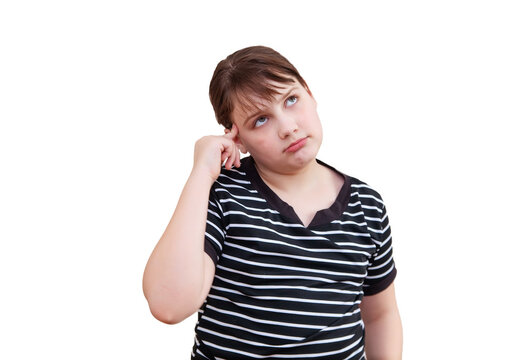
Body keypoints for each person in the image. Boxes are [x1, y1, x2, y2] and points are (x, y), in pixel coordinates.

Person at [143, 45, 403, 360]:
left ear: (309, 93)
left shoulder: (367, 206)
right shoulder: (223, 197)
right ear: (236, 139)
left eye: (291, 100)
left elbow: (380, 315)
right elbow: (168, 305)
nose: (288, 127)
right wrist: (201, 173)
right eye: (261, 120)